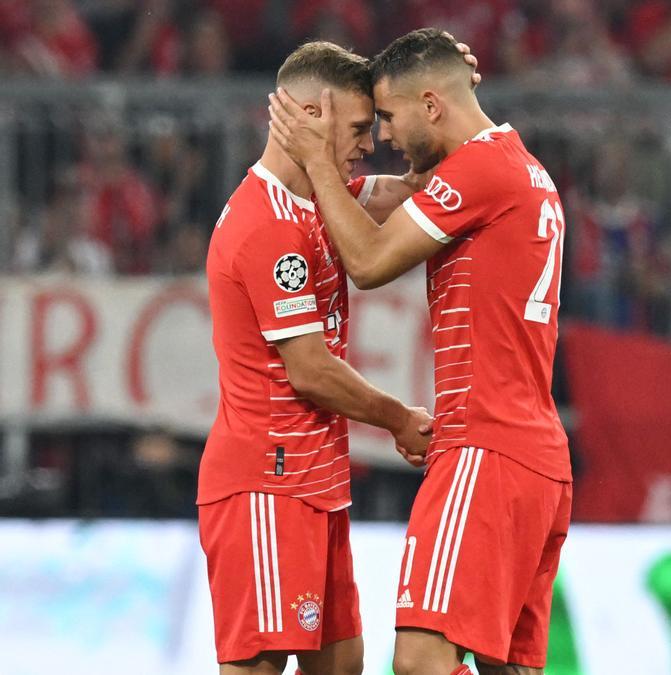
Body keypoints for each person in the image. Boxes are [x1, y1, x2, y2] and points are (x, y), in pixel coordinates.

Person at [267, 28, 571, 675]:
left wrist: (319, 162)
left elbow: (371, 260)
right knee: (507, 667)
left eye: (387, 116)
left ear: (431, 105)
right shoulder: (519, 169)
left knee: (420, 659)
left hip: (485, 448)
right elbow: (398, 195)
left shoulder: (480, 170)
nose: (382, 137)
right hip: (538, 459)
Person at [200, 40, 475, 675]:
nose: (369, 142)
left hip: (315, 483)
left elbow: (407, 188)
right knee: (261, 666)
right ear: (306, 117)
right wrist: (398, 418)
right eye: (356, 128)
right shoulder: (268, 226)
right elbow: (309, 369)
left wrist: (452, 99)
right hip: (266, 484)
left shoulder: (318, 202)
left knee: (343, 663)